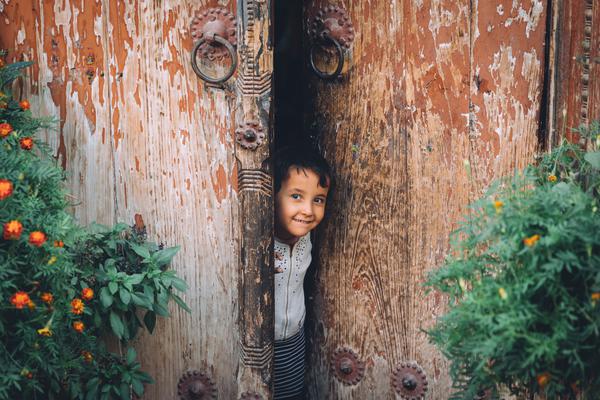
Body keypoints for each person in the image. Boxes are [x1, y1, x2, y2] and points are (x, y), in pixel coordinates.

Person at [273, 146, 331, 399]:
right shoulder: (261, 241)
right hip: (258, 343)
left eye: (318, 199)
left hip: (294, 339)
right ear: (272, 196)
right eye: (296, 196)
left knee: (291, 394)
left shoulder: (307, 238)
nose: (308, 210)